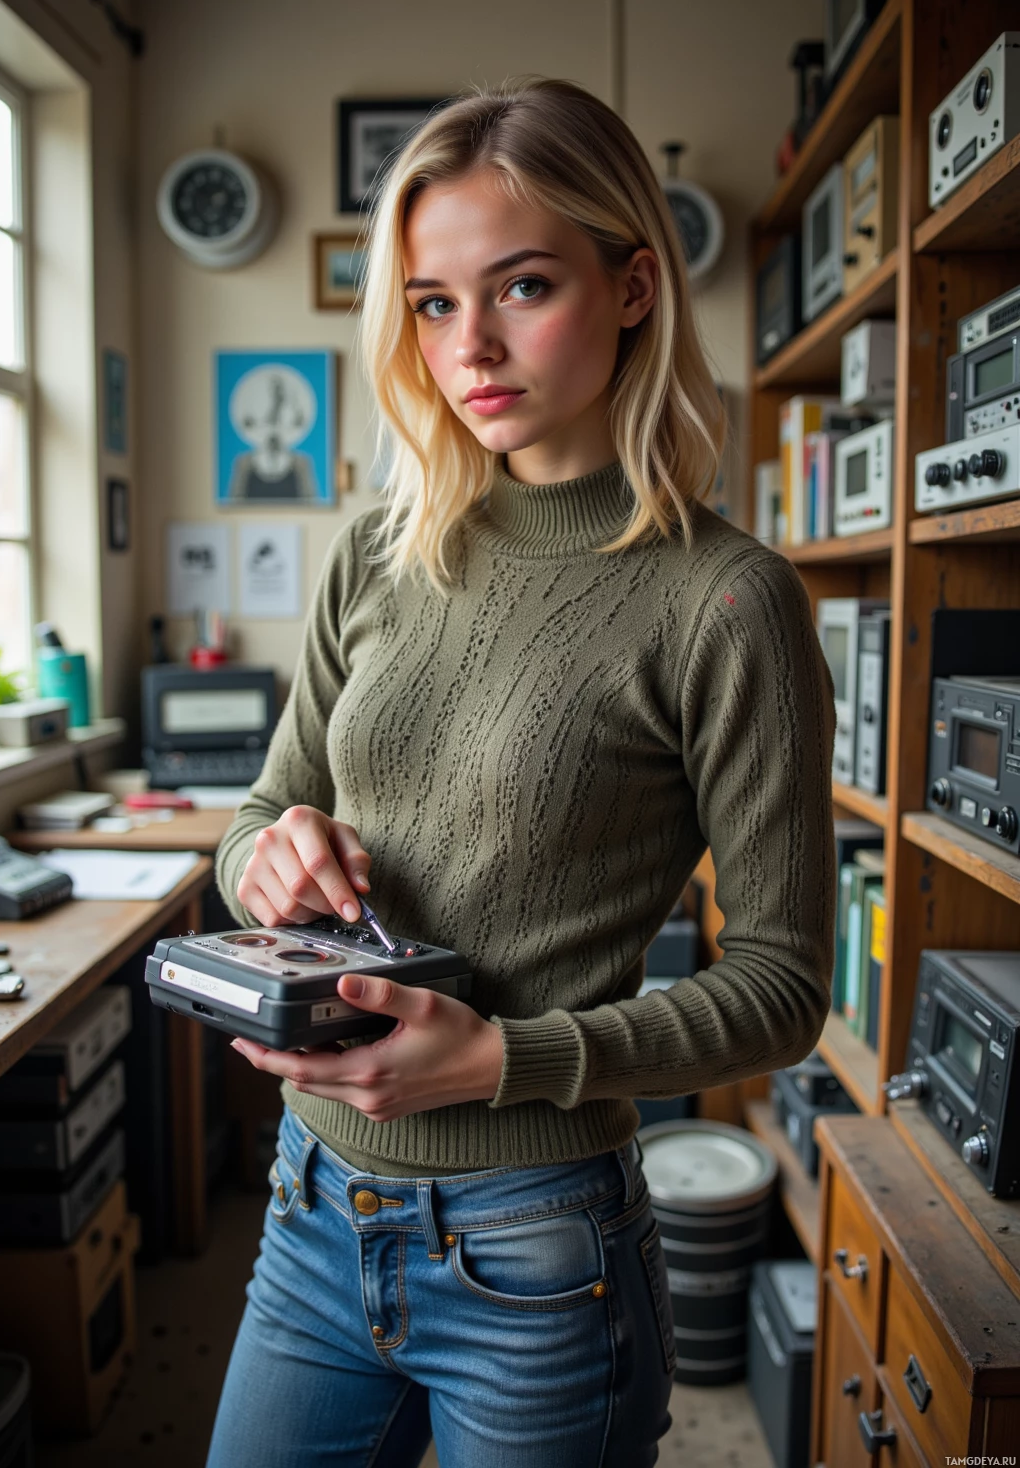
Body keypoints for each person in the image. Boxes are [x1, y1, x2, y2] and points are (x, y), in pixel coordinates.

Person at [208, 77, 836, 1468]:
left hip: (540, 1253)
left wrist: (503, 1060)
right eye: (432, 302)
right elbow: (257, 813)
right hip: (310, 1213)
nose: (471, 344)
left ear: (630, 286)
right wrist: (267, 855)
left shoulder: (727, 602)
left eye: (522, 285)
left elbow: (786, 988)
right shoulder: (377, 551)